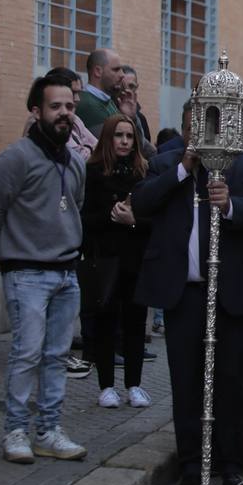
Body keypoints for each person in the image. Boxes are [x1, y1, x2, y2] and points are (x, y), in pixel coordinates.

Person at [131, 101, 243, 485]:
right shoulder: (166, 166)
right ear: (186, 131)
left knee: (231, 381)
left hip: (233, 293)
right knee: (187, 381)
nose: (205, 135)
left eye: (211, 127)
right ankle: (193, 464)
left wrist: (230, 205)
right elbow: (141, 203)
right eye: (197, 128)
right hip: (184, 294)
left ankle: (230, 463)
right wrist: (184, 169)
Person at [0, 72, 89, 464]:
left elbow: (74, 205)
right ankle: (15, 431)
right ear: (36, 111)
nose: (64, 114)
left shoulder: (75, 161)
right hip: (26, 275)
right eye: (55, 107)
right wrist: (9, 254)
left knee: (57, 357)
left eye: (70, 108)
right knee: (26, 354)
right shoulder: (15, 158)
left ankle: (48, 430)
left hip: (66, 274)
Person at [80, 114, 153, 410]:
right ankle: (106, 385)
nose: (124, 141)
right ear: (108, 138)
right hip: (106, 258)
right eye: (119, 136)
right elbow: (84, 217)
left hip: (135, 259)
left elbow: (152, 220)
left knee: (136, 323)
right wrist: (112, 214)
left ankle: (134, 384)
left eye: (129, 136)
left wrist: (133, 221)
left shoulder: (143, 173)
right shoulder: (94, 172)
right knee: (105, 322)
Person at [22, 66, 96, 164]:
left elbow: (100, 145)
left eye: (78, 92)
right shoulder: (39, 123)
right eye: (55, 106)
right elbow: (80, 157)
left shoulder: (75, 119)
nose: (77, 98)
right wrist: (90, 148)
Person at [77, 48, 124, 135]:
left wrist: (130, 116)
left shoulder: (108, 101)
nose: (122, 75)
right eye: (116, 70)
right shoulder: (87, 104)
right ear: (98, 71)